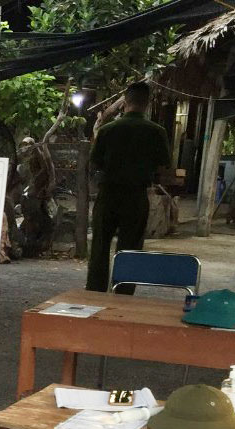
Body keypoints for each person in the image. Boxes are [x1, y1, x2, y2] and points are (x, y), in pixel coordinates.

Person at [86, 81, 171, 293]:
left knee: (99, 246)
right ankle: (123, 294)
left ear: (125, 101)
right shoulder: (157, 132)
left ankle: (95, 293)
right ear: (147, 103)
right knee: (130, 248)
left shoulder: (107, 130)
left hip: (108, 194)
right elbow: (163, 166)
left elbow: (94, 163)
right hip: (136, 196)